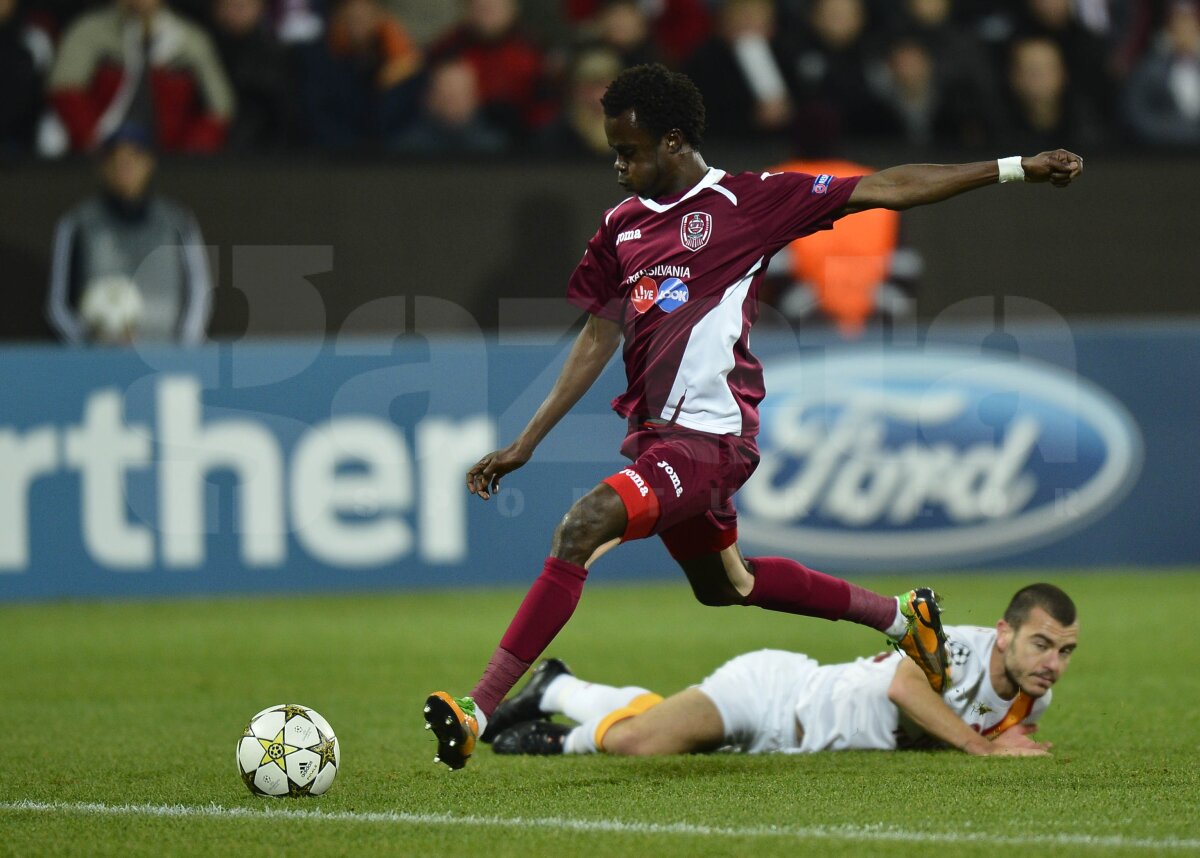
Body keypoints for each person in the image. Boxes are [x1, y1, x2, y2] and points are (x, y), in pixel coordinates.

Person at [423, 63, 1083, 770]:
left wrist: (1017, 168)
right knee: (725, 586)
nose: (618, 168)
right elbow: (597, 335)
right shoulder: (620, 229)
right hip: (657, 440)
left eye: (629, 151)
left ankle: (479, 706)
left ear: (673, 142)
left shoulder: (750, 201)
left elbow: (888, 186)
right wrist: (526, 441)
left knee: (582, 527)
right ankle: (901, 616)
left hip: (711, 441)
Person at [488, 583, 1077, 760]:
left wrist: (1003, 738)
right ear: (1004, 633)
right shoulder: (965, 648)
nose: (1052, 664)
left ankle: (555, 686)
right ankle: (559, 718)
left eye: (1065, 652)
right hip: (777, 695)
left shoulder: (1030, 698)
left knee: (664, 728)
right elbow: (904, 686)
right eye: (1042, 645)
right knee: (638, 744)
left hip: (784, 744)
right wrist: (983, 749)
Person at [46, 122, 212, 345]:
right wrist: (87, 347)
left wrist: (182, 350)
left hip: (167, 358)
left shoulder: (179, 222)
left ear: (149, 162)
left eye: (134, 156)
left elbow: (200, 292)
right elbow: (58, 306)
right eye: (115, 158)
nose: (124, 165)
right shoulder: (77, 224)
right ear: (102, 167)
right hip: (98, 364)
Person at [47, 0, 234, 153]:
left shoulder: (191, 40)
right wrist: (92, 143)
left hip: (170, 159)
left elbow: (220, 107)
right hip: (100, 156)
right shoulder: (90, 31)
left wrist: (189, 154)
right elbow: (64, 88)